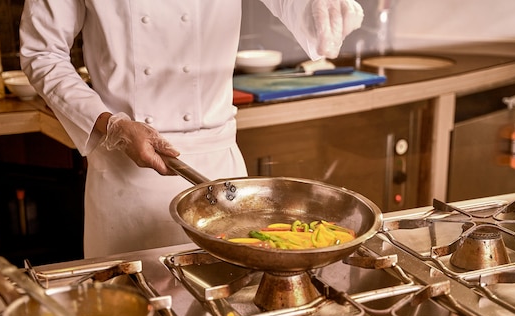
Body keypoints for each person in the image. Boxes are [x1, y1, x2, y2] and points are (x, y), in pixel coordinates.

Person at [19, 0, 364, 259]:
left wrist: (324, 6)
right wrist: (114, 126)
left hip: (220, 176)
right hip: (126, 177)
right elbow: (42, 53)